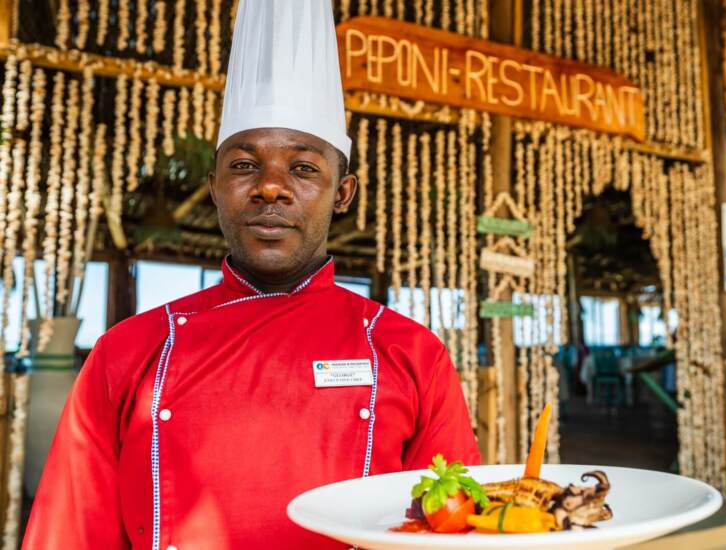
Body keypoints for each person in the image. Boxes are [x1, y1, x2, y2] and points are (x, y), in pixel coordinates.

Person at [21, 1, 479, 548]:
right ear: (216, 187)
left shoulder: (413, 353)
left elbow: (454, 533)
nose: (270, 187)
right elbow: (69, 534)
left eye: (304, 168)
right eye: (243, 165)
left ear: (343, 194)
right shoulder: (125, 353)